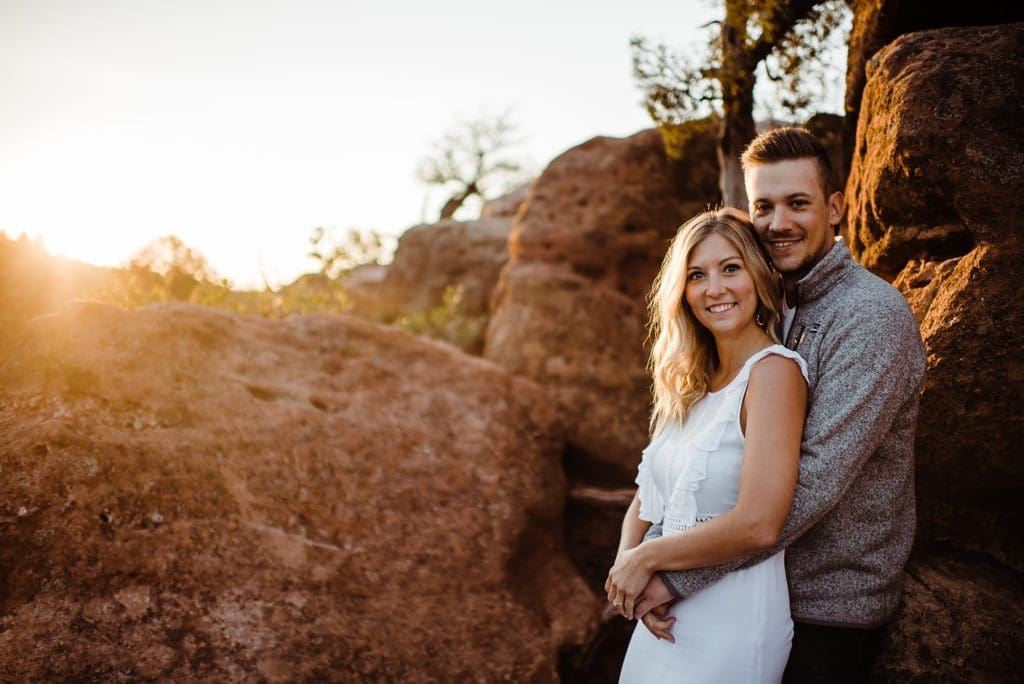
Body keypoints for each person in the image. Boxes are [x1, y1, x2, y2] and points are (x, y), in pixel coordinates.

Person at [627, 127, 927, 683]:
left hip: (828, 607)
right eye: (763, 206)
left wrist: (670, 574)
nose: (778, 222)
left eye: (798, 203)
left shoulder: (869, 317)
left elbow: (813, 481)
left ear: (835, 209)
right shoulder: (767, 309)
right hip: (745, 585)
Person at [608, 206, 809, 682]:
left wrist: (648, 560)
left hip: (733, 624)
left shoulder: (774, 373)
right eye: (697, 274)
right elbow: (647, 497)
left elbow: (759, 523)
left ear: (758, 277)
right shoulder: (690, 383)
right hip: (661, 617)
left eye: (731, 268)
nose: (714, 288)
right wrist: (627, 569)